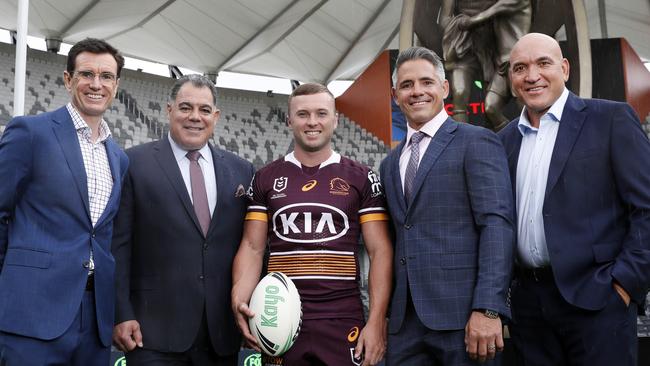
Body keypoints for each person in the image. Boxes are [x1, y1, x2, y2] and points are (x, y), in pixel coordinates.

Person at [498, 32, 650, 366]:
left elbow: (646, 208)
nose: (532, 75)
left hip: (599, 300)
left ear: (565, 69)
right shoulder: (503, 141)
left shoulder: (610, 119)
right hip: (529, 308)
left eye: (543, 63)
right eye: (520, 67)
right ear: (511, 79)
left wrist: (624, 283)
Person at [231, 83, 393, 366]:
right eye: (303, 114)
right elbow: (252, 247)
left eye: (321, 113)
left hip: (343, 317)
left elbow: (380, 251)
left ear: (336, 119)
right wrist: (239, 300)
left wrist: (377, 321)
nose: (312, 122)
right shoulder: (265, 178)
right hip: (278, 317)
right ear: (289, 120)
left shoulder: (363, 178)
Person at [380, 46, 514, 365]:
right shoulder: (389, 164)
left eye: (426, 82)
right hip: (404, 325)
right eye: (407, 84)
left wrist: (488, 307)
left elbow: (497, 226)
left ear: (445, 88)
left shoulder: (476, 141)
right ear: (395, 94)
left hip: (464, 320)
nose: (417, 92)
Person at [0, 38, 128, 365]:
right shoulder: (31, 132)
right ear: (68, 79)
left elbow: (104, 235)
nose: (96, 84)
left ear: (116, 84)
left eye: (106, 76)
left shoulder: (118, 157)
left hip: (94, 317)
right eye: (87, 74)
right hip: (31, 311)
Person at [112, 74, 254, 365]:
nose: (195, 117)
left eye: (204, 110)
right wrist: (121, 313)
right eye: (185, 107)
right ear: (169, 110)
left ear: (215, 116)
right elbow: (118, 246)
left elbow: (250, 246)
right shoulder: (133, 163)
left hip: (220, 335)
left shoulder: (242, 170)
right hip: (151, 332)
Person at [440, 0, 531, 130]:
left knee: (501, 105)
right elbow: (444, 19)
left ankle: (520, 138)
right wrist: (457, 24)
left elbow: (492, 12)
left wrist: (468, 22)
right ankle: (463, 143)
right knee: (460, 93)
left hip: (500, 55)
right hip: (464, 46)